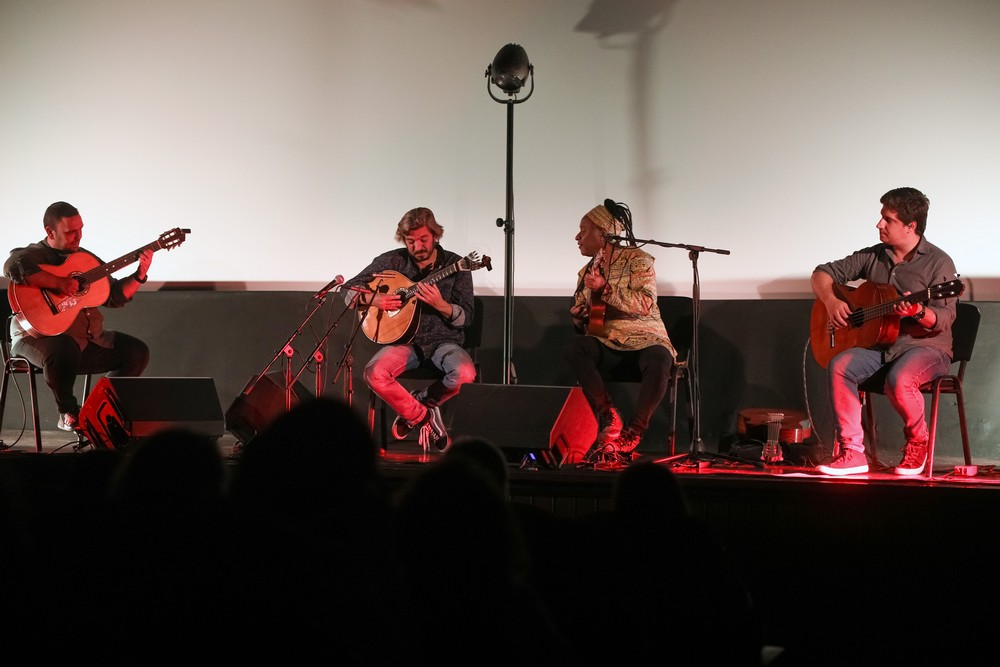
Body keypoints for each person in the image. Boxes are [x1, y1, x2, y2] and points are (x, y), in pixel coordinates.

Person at [813, 187, 958, 476]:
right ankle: (852, 452)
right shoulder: (874, 256)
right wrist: (831, 302)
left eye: (887, 219)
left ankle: (918, 443)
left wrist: (917, 311)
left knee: (900, 378)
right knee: (840, 364)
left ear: (910, 226)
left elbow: (945, 317)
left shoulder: (939, 263)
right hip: (881, 346)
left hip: (926, 348)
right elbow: (822, 273)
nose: (879, 224)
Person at [3, 201, 152, 431]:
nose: (78, 236)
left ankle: (99, 413)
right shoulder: (35, 254)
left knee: (136, 352)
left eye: (80, 229)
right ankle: (68, 413)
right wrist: (59, 283)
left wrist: (140, 274)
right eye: (70, 231)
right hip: (36, 339)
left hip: (89, 339)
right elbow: (13, 265)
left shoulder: (84, 259)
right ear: (50, 231)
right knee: (65, 347)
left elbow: (113, 295)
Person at [343, 207, 477, 451]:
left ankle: (422, 401)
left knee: (465, 375)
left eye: (423, 239)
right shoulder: (392, 261)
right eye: (410, 241)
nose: (418, 247)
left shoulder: (456, 265)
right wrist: (375, 300)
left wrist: (442, 306)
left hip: (444, 341)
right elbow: (348, 290)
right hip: (404, 342)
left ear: (436, 236)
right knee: (374, 373)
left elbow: (466, 318)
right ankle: (423, 417)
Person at [565, 199, 676, 463]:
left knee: (660, 358)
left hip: (644, 339)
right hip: (607, 341)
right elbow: (588, 319)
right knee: (575, 347)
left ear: (604, 233)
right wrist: (579, 317)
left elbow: (645, 303)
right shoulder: (585, 271)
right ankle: (607, 413)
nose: (577, 236)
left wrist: (606, 289)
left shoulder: (638, 260)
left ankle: (634, 431)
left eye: (584, 230)